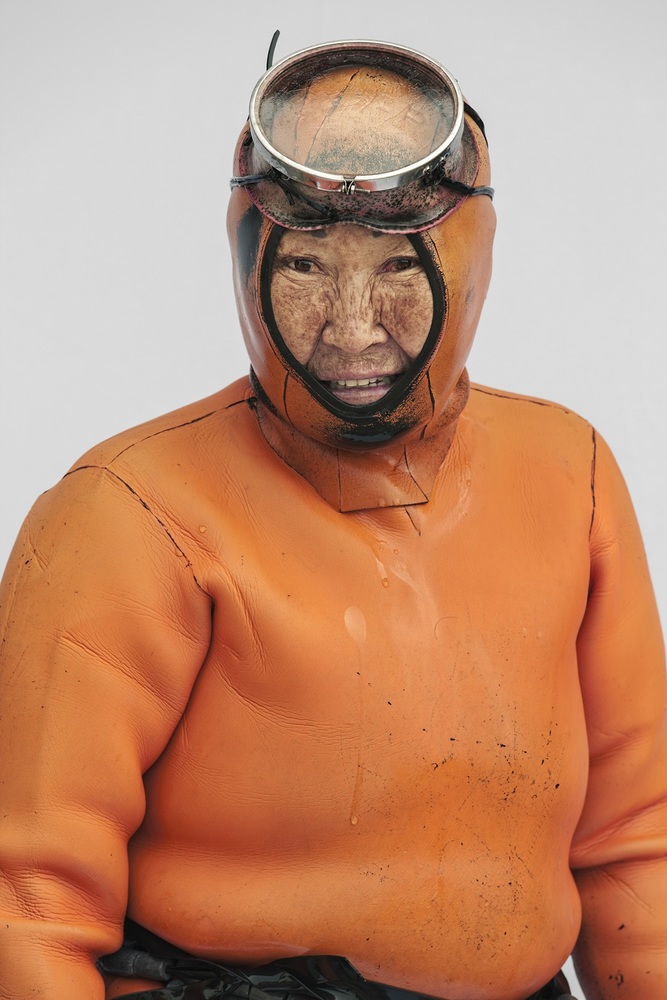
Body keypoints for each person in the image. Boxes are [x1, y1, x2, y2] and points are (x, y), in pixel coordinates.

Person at [0, 37, 665, 1000]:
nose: (352, 329)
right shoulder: (128, 509)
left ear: (471, 255)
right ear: (245, 254)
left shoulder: (570, 476)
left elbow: (635, 844)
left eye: (397, 266)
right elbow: (28, 898)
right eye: (306, 267)